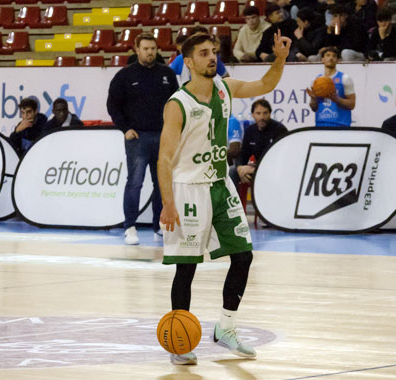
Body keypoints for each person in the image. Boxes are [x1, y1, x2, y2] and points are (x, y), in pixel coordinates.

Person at [158, 31, 292, 365]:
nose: (211, 57)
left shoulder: (225, 87)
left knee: (243, 257)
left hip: (220, 184)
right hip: (188, 189)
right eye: (203, 53)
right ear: (188, 62)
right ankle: (179, 343)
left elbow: (264, 85)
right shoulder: (178, 105)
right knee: (187, 268)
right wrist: (169, 202)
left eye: (214, 51)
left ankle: (226, 328)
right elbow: (164, 159)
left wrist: (280, 59)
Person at [107, 32, 179, 245]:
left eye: (153, 49)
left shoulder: (167, 74)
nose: (150, 53)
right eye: (146, 49)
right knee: (135, 182)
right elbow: (113, 105)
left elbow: (176, 103)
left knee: (162, 183)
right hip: (137, 137)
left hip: (163, 137)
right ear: (137, 50)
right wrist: (125, 128)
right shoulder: (124, 76)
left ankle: (160, 226)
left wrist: (173, 130)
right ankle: (130, 227)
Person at [233, 99, 289, 187]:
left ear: (270, 114)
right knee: (233, 171)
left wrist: (255, 169)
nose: (262, 117)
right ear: (253, 115)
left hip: (275, 169)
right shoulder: (250, 131)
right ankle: (234, 200)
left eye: (265, 113)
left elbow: (282, 159)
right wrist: (240, 167)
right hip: (255, 169)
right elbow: (243, 154)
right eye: (258, 113)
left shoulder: (279, 130)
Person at [307, 46, 356, 127]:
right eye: (328, 55)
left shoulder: (345, 78)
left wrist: (338, 99)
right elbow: (314, 108)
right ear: (322, 59)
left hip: (341, 125)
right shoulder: (316, 80)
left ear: (337, 60)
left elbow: (352, 104)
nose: (331, 58)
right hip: (321, 124)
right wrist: (313, 99)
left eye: (334, 56)